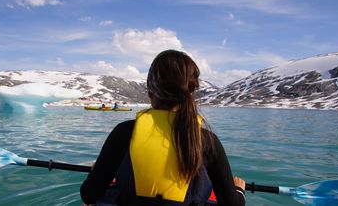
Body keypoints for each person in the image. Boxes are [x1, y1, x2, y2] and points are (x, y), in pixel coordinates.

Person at [81, 50, 246, 205]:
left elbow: (89, 194)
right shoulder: (208, 141)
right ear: (191, 93)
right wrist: (238, 190)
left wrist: (96, 174)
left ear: (150, 93)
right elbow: (231, 204)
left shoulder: (123, 132)